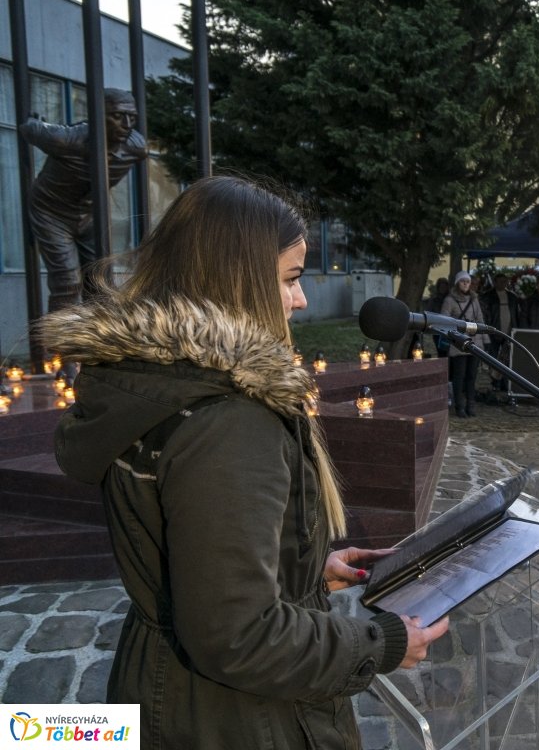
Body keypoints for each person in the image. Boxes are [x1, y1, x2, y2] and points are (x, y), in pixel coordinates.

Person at [37, 176, 448, 748]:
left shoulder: (158, 384)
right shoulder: (228, 419)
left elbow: (199, 560)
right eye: (290, 278)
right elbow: (238, 635)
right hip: (232, 717)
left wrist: (302, 572)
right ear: (238, 280)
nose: (301, 300)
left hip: (172, 688)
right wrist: (380, 643)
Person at [19, 89, 149, 312]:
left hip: (90, 214)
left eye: (132, 117)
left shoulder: (136, 147)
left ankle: (96, 333)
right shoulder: (68, 139)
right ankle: (57, 336)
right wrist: (35, 123)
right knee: (67, 282)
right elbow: (30, 130)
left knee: (100, 283)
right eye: (117, 116)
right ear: (97, 114)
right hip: (51, 212)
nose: (127, 124)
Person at [443, 271, 486, 417]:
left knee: (471, 376)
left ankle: (470, 405)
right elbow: (445, 321)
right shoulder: (449, 300)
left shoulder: (474, 300)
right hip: (459, 343)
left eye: (468, 281)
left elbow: (480, 319)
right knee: (459, 376)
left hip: (474, 342)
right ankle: (459, 406)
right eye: (463, 281)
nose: (466, 284)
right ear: (457, 283)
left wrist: (485, 340)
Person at [480, 272, 520, 392]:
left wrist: (516, 329)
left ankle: (505, 382)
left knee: (507, 359)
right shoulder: (487, 296)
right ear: (495, 282)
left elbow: (516, 314)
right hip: (493, 332)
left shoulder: (512, 297)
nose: (503, 283)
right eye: (501, 281)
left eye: (505, 281)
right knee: (493, 359)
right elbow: (485, 315)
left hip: (509, 332)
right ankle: (495, 382)